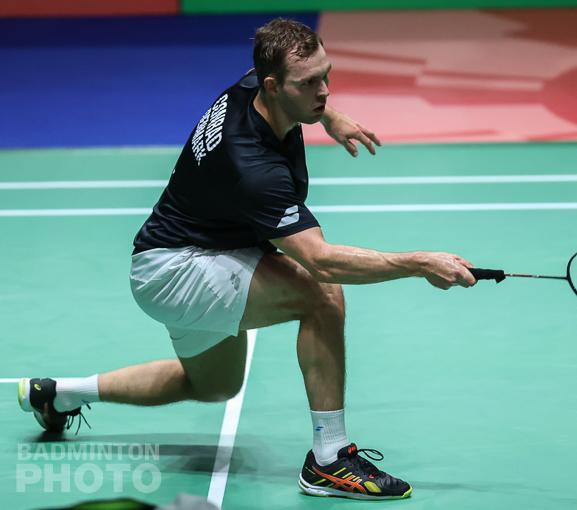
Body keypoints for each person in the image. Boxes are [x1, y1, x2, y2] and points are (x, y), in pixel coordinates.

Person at [18, 18, 477, 501]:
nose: (324, 90)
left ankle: (58, 393)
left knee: (213, 386)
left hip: (187, 251)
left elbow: (300, 89)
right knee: (321, 294)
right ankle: (330, 459)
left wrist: (329, 117)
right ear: (273, 86)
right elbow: (321, 261)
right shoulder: (253, 168)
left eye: (327, 76)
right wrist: (419, 263)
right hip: (176, 269)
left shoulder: (255, 83)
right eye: (310, 84)